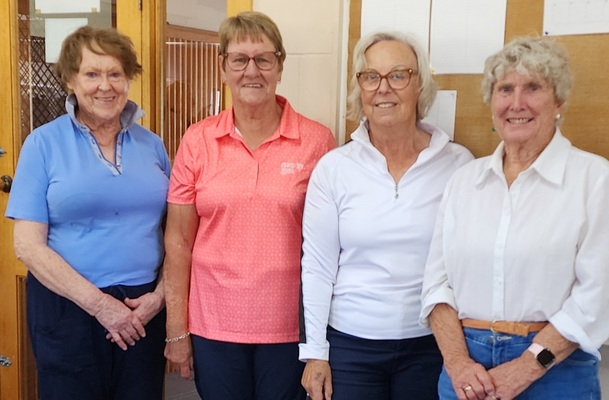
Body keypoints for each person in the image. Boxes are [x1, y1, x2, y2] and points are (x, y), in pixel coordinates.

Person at [419, 36, 609, 400]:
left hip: (555, 369)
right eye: (505, 89)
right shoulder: (464, 181)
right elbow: (436, 285)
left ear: (558, 101)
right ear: (491, 102)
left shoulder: (593, 178)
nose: (517, 103)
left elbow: (595, 299)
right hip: (466, 369)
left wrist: (525, 367)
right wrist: (457, 362)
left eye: (533, 87)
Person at [162, 11, 336, 400]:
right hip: (213, 323)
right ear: (223, 67)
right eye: (239, 59)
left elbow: (329, 247)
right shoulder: (197, 140)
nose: (251, 71)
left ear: (280, 66)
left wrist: (321, 339)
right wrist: (176, 330)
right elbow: (178, 241)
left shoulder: (317, 141)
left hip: (290, 326)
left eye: (263, 59)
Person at [299, 31, 474, 400]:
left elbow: (468, 265)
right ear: (359, 88)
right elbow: (317, 267)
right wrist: (315, 352)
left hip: (430, 344)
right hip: (350, 347)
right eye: (371, 76)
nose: (383, 88)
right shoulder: (334, 168)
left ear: (420, 85)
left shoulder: (458, 164)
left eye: (398, 75)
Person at [5, 26, 170, 399]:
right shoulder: (42, 144)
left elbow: (175, 234)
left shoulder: (152, 145)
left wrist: (159, 298)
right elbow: (28, 246)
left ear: (128, 79)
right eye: (92, 74)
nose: (105, 86)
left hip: (142, 310)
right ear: (70, 80)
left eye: (115, 74)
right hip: (69, 309)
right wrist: (100, 306)